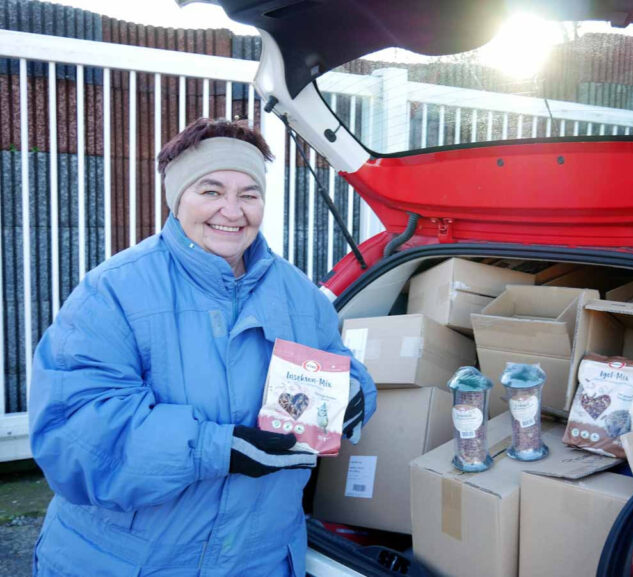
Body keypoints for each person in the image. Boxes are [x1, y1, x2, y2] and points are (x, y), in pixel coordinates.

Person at [28, 117, 377, 577]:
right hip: (129, 562)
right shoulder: (113, 292)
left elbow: (341, 366)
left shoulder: (300, 295)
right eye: (210, 191)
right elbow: (73, 439)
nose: (232, 212)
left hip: (261, 560)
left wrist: (354, 395)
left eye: (248, 194)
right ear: (177, 199)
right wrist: (216, 448)